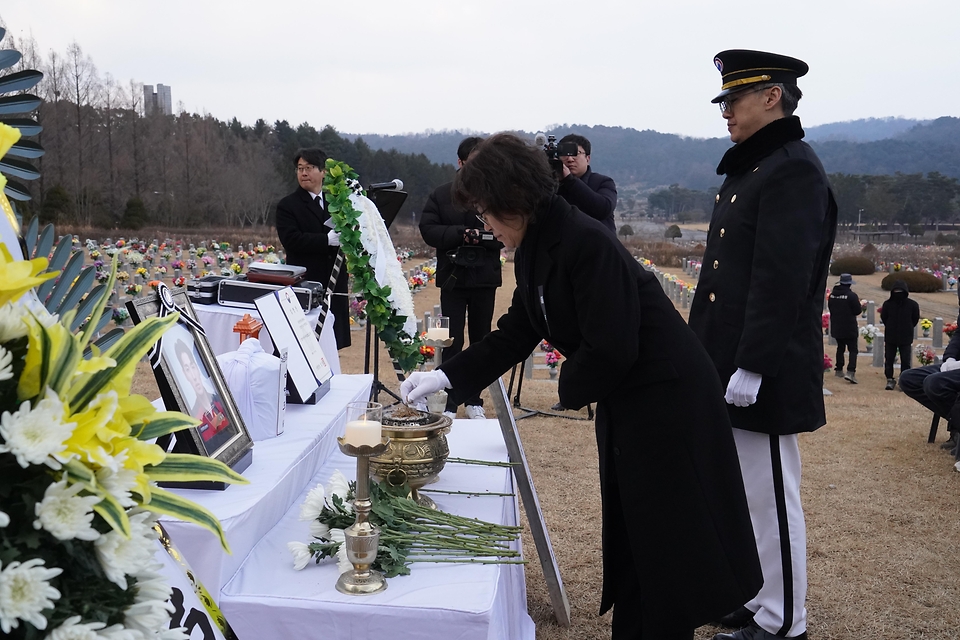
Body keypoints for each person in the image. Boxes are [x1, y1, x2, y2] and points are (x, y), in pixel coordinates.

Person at [401, 133, 762, 639]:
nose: (483, 224)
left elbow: (612, 347)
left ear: (512, 200)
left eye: (486, 211)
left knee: (668, 541)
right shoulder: (535, 242)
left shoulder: (584, 240)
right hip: (632, 398)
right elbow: (520, 328)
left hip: (667, 401)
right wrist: (447, 376)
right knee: (638, 535)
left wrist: (566, 389)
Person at [687, 50, 838, 640]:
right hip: (727, 362)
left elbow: (782, 279)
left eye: (735, 98)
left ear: (772, 96)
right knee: (745, 496)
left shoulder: (791, 168)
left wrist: (752, 364)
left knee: (772, 497)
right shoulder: (754, 166)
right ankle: (758, 598)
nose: (726, 111)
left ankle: (785, 621)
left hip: (762, 367)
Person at [419, 136, 502, 419]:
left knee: (481, 340)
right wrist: (460, 234)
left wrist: (482, 237)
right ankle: (449, 402)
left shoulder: (496, 194)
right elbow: (428, 229)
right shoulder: (442, 194)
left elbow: (507, 233)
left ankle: (474, 400)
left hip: (485, 277)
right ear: (460, 162)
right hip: (453, 277)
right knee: (451, 341)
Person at [275, 147, 351, 350]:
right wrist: (325, 240)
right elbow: (291, 240)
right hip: (307, 282)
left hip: (334, 283)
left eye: (309, 167)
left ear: (323, 171)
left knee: (333, 343)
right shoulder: (288, 205)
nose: (304, 173)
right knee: (308, 343)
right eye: (300, 168)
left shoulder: (335, 203)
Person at [899, 288, 960, 457]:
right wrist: (949, 359)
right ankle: (956, 424)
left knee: (935, 383)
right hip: (956, 366)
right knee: (909, 379)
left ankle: (956, 427)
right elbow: (958, 336)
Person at [555, 133, 618, 233]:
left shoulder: (603, 182)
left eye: (576, 153)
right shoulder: (552, 185)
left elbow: (603, 209)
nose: (570, 159)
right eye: (564, 153)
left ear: (587, 159)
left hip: (596, 246)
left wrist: (570, 180)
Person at [879, 280, 920, 390]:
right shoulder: (887, 304)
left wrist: (908, 327)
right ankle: (889, 379)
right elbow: (884, 317)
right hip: (891, 336)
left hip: (905, 337)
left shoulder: (912, 305)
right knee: (889, 359)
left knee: (905, 360)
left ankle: (904, 380)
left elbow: (915, 319)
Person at [828, 273, 861, 383]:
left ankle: (839, 369)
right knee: (853, 350)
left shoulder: (832, 295)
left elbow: (831, 308)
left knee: (840, 348)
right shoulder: (851, 296)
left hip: (837, 326)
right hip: (849, 327)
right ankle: (851, 372)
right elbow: (857, 311)